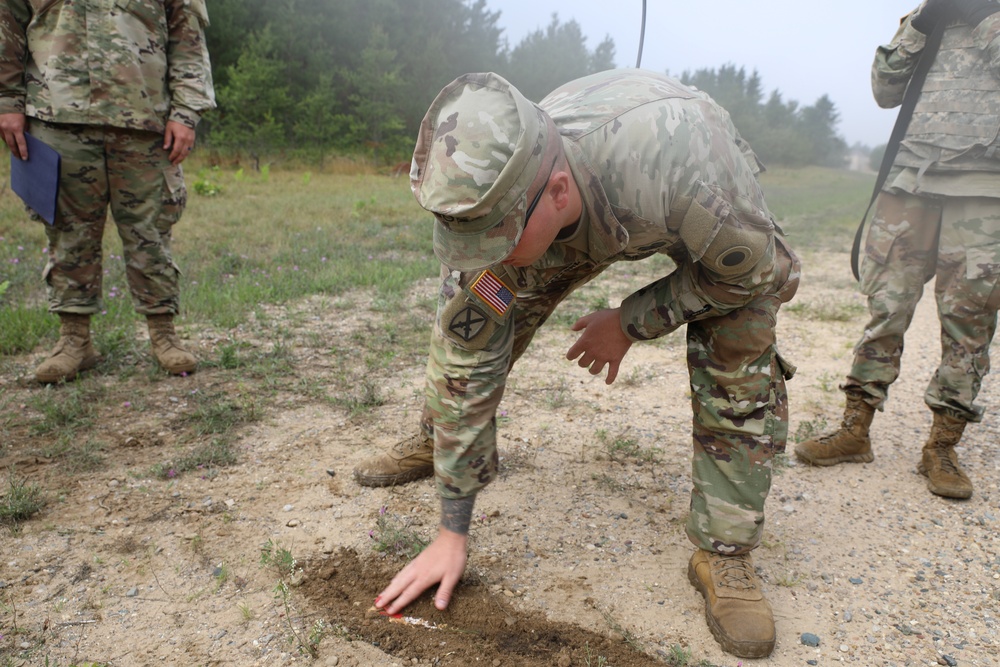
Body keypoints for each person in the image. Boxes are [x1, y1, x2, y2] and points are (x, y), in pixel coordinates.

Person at [362, 69, 800, 659]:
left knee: (740, 343)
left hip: (665, 190)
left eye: (496, 241)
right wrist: (452, 527)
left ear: (560, 191)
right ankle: (435, 437)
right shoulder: (499, 195)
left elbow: (758, 271)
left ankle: (726, 554)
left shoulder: (688, 170)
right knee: (485, 318)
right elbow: (466, 352)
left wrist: (630, 321)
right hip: (572, 211)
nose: (483, 259)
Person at [795, 0, 1000, 501]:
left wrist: (983, 18)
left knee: (968, 321)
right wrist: (922, 24)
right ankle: (854, 429)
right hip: (909, 180)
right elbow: (885, 90)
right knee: (885, 308)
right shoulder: (928, 14)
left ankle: (941, 447)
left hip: (984, 187)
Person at [0, 0, 215, 382]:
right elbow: (8, 23)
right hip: (56, 112)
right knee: (67, 230)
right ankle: (74, 341)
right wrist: (6, 100)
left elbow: (187, 32)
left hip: (144, 115)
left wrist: (186, 111)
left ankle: (163, 335)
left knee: (150, 230)